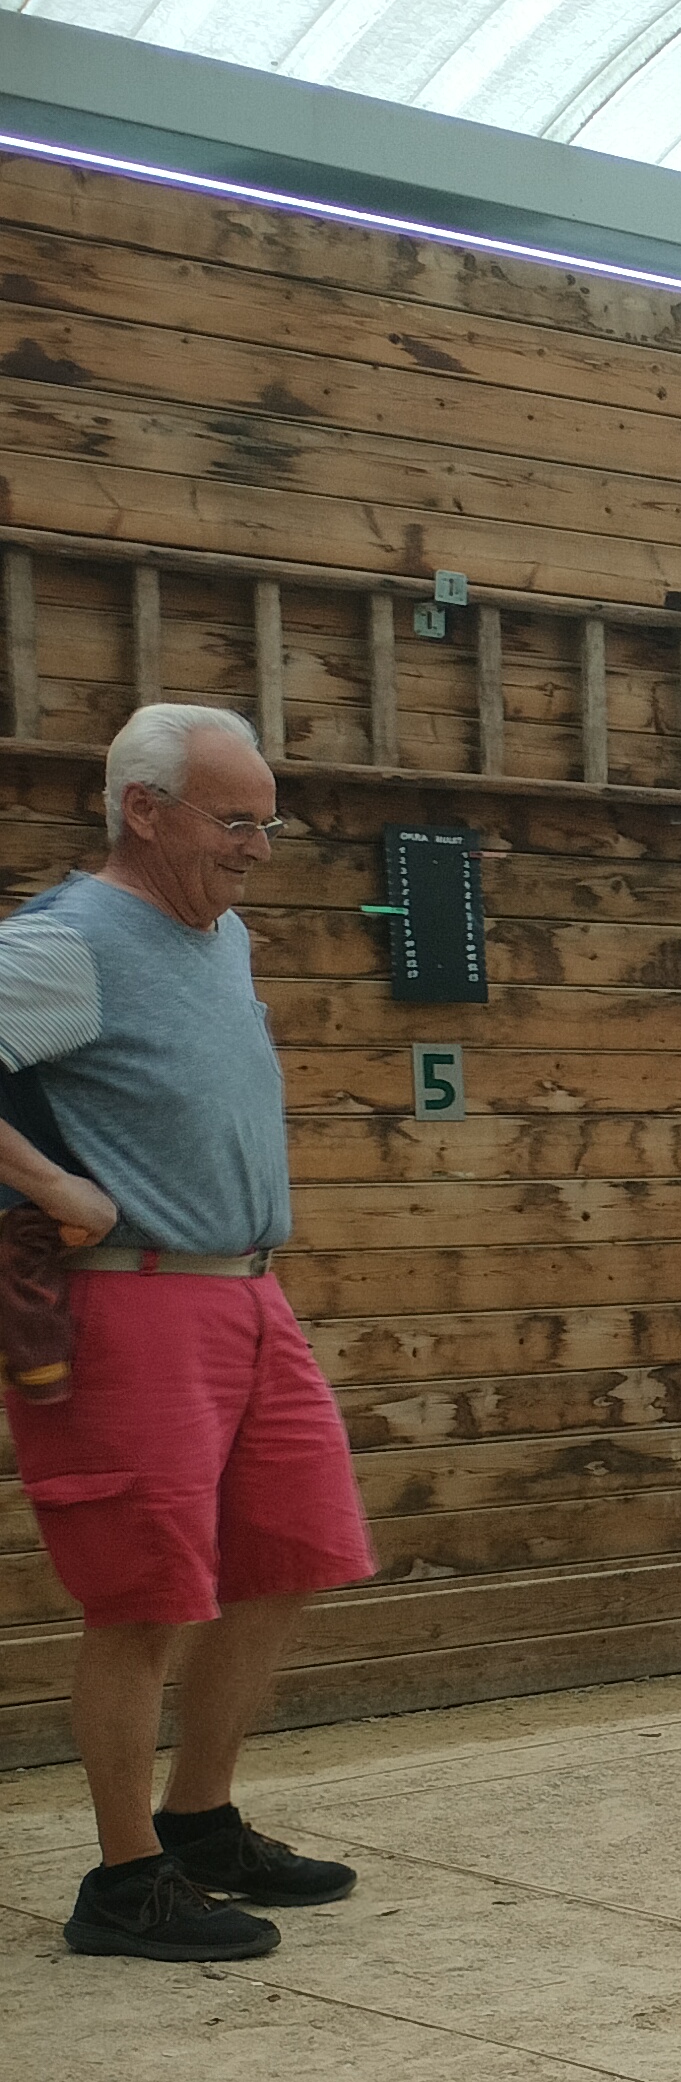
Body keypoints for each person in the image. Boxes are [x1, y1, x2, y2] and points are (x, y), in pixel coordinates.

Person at [0, 703, 376, 1960]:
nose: (258, 847)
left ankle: (202, 1819)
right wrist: (52, 1188)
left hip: (247, 1291)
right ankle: (124, 1883)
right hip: (129, 1298)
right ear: (143, 811)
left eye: (268, 821)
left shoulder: (224, 938)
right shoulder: (70, 940)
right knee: (144, 1598)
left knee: (285, 1557)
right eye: (234, 821)